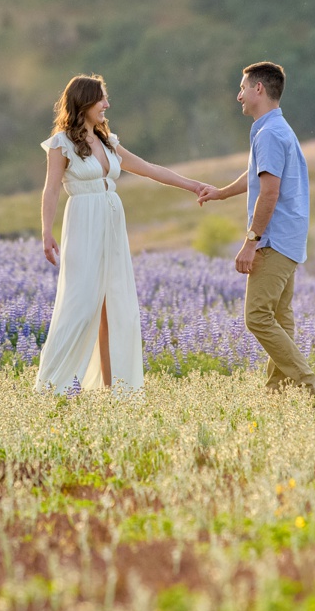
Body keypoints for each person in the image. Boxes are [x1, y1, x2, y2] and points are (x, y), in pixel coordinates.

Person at [34, 73, 213, 393]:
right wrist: (46, 232)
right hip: (84, 223)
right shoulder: (61, 143)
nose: (106, 104)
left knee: (114, 307)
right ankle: (51, 387)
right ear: (84, 102)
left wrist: (192, 185)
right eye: (101, 98)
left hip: (111, 224)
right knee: (80, 307)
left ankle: (113, 389)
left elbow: (149, 168)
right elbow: (51, 190)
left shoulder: (106, 141)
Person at [198, 61, 315, 396]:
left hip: (274, 239)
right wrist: (222, 192)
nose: (238, 96)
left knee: (257, 317)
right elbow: (257, 175)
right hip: (290, 238)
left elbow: (269, 192)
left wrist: (251, 241)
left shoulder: (268, 134)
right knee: (280, 318)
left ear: (258, 89)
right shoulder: (278, 129)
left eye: (242, 88)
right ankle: (275, 395)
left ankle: (308, 385)